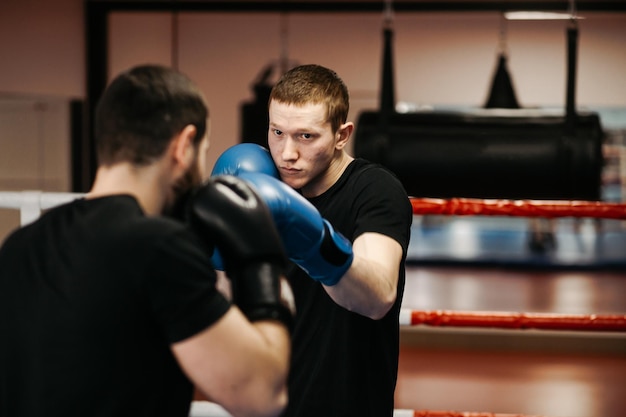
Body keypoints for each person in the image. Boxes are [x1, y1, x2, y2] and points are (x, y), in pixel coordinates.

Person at [0, 64, 295, 417]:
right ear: (183, 146)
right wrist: (260, 262)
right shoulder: (159, 247)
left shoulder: (19, 247)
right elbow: (262, 395)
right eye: (202, 151)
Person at [212, 64, 413, 417]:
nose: (287, 153)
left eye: (306, 136)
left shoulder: (374, 190)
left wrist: (309, 241)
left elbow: (378, 297)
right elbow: (229, 307)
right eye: (277, 132)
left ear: (341, 134)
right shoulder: (259, 186)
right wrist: (219, 254)